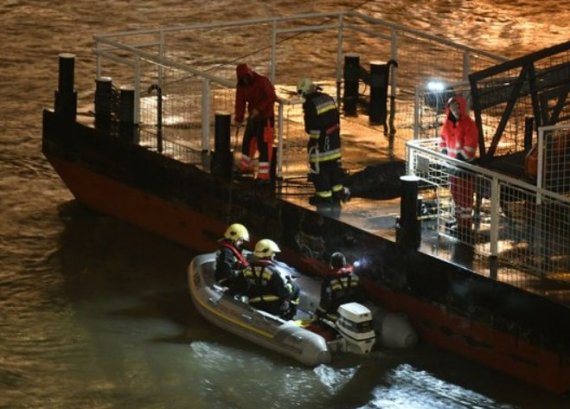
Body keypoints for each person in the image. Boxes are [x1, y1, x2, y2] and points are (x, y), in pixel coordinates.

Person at [297, 78, 350, 205]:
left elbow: (311, 127)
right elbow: (336, 118)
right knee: (333, 166)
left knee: (319, 169)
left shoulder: (310, 104)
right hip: (334, 139)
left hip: (321, 142)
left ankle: (324, 196)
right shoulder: (328, 97)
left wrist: (313, 143)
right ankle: (337, 191)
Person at [440, 95, 478, 232]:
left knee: (465, 198)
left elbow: (470, 148)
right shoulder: (448, 124)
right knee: (456, 195)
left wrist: (457, 161)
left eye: (457, 107)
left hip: (464, 168)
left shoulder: (469, 125)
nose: (455, 110)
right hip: (453, 166)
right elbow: (443, 140)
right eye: (452, 108)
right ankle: (459, 221)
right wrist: (443, 152)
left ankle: (465, 225)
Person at [234, 63, 277, 183]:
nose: (245, 80)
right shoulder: (241, 86)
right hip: (253, 117)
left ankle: (264, 176)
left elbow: (271, 97)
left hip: (266, 117)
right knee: (247, 141)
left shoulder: (262, 81)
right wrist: (238, 118)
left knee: (263, 146)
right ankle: (246, 167)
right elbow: (240, 102)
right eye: (242, 79)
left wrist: (259, 109)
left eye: (246, 78)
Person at [237, 238, 297, 319]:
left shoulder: (247, 270)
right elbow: (282, 292)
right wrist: (290, 284)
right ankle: (289, 317)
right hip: (271, 308)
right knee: (296, 289)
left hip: (253, 304)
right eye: (273, 253)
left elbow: (237, 286)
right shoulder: (272, 273)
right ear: (268, 254)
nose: (274, 255)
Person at [316, 252, 363, 322]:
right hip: (351, 316)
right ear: (344, 263)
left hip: (334, 316)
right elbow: (360, 296)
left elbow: (326, 301)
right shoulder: (354, 277)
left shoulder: (329, 280)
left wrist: (318, 313)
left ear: (331, 264)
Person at [215, 223, 250, 289]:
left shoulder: (227, 250)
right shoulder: (226, 252)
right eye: (240, 240)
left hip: (227, 278)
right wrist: (243, 272)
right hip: (225, 281)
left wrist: (237, 265)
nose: (242, 242)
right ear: (234, 238)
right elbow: (226, 273)